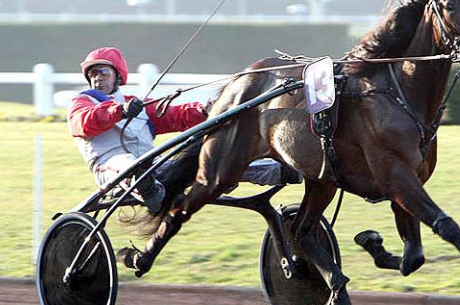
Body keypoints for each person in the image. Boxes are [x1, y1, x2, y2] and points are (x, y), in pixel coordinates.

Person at [67, 46, 300, 214]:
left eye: (103, 72)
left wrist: (210, 110)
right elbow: (84, 122)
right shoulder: (83, 102)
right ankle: (147, 190)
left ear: (118, 76)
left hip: (153, 166)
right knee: (128, 163)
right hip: (111, 169)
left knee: (219, 160)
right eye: (93, 74)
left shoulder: (136, 104)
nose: (97, 78)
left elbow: (174, 116)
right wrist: (119, 111)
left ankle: (280, 171)